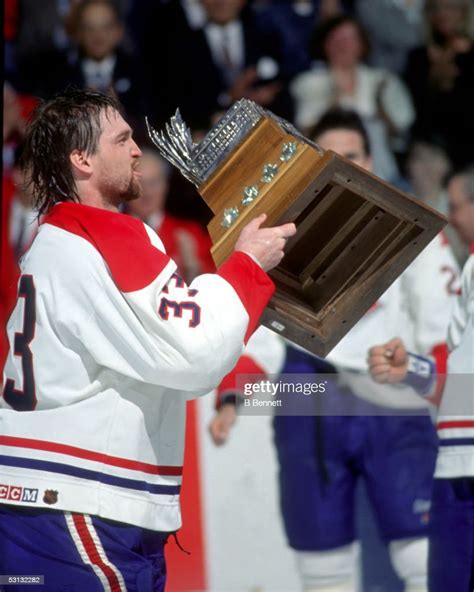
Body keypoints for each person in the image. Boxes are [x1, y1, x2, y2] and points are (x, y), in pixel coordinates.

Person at [0, 88, 296, 591]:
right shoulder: (105, 234)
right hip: (79, 506)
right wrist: (247, 264)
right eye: (123, 139)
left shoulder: (51, 237)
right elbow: (196, 350)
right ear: (82, 159)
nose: (138, 149)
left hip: (42, 500)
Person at [210, 109, 460, 592]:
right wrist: (233, 398)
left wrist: (434, 387)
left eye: (354, 155)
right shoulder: (279, 235)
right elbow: (260, 337)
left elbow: (442, 330)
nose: (345, 165)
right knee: (323, 571)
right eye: (331, 157)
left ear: (371, 160)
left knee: (423, 560)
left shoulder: (415, 228)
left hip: (392, 395)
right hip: (310, 397)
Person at [368, 164, 474, 592]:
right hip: (454, 467)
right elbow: (460, 384)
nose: (449, 216)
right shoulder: (471, 271)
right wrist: (411, 370)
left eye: (456, 206)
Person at [290, 15, 415, 182]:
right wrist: (334, 97)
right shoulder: (309, 83)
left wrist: (380, 108)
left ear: (362, 45)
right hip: (326, 168)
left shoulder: (383, 81)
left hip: (383, 168)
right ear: (325, 44)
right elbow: (305, 132)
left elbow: (401, 131)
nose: (342, 45)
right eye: (335, 38)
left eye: (349, 39)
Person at [126, 149, 215, 283]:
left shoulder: (191, 233)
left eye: (154, 183)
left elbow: (216, 286)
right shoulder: (114, 234)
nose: (148, 192)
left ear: (165, 185)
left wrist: (192, 266)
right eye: (140, 184)